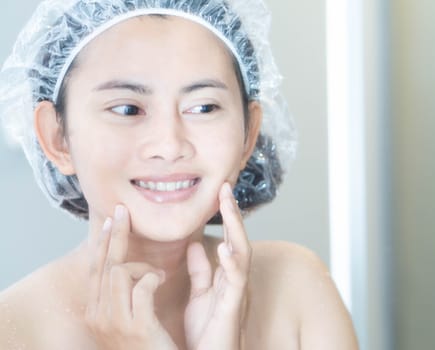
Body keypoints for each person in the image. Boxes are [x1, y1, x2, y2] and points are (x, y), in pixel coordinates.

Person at [0, 0, 358, 349]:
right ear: (57, 137)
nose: (169, 145)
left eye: (203, 107)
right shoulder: (10, 330)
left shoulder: (296, 289)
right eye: (127, 109)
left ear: (248, 134)